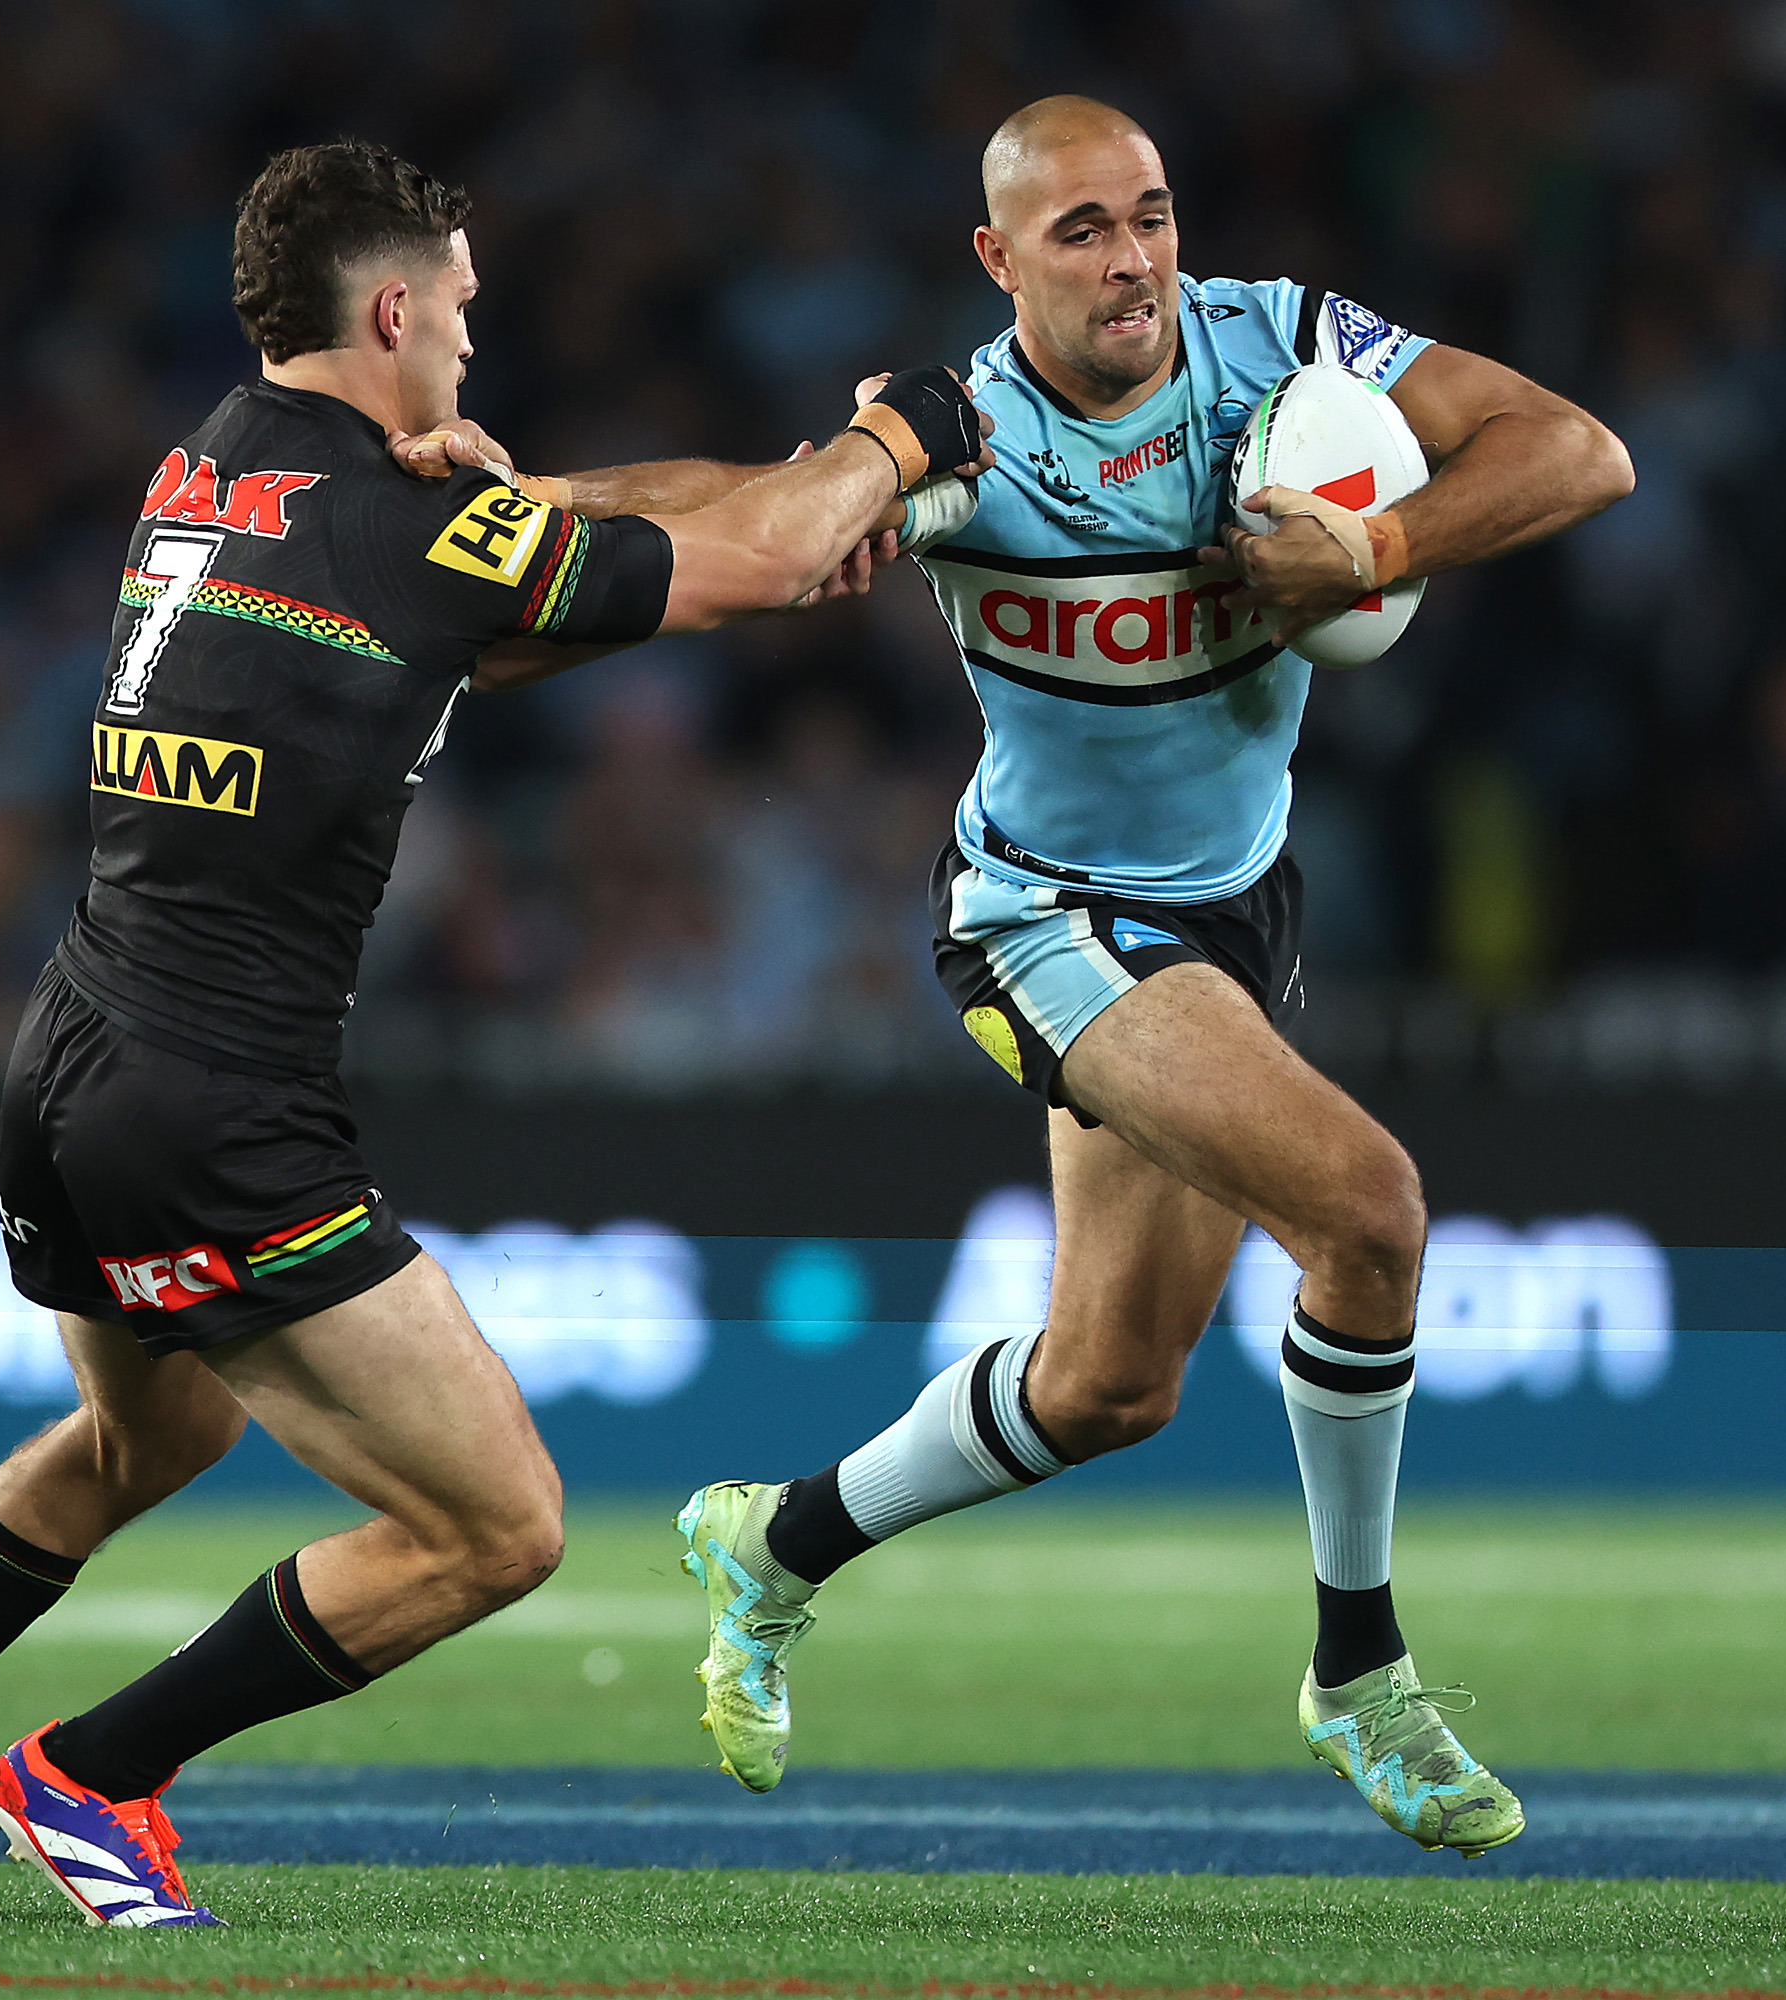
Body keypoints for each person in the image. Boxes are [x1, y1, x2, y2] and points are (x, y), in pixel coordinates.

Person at [0, 137, 990, 1929]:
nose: (474, 338)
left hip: (71, 1057)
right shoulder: (399, 527)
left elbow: (518, 563)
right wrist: (904, 439)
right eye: (462, 304)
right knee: (497, 1530)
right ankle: (90, 1776)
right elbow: (749, 573)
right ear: (393, 306)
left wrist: (792, 492)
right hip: (215, 1102)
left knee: (139, 1446)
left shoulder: (220, 467)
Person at [675, 96, 1633, 1859]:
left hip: (1236, 909)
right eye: (1084, 233)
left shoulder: (1280, 348)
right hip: (1046, 918)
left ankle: (771, 1544)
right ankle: (1362, 1671)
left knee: (1112, 1385)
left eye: (1153, 217)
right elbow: (745, 510)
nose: (1134, 261)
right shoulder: (962, 432)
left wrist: (1380, 545)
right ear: (998, 258)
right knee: (1371, 1214)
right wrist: (521, 506)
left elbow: (1578, 450)